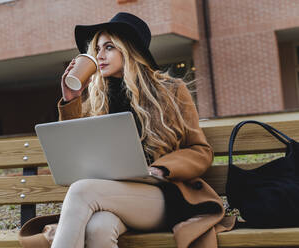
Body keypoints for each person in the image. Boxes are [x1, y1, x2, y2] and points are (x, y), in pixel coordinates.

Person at [20, 12, 235, 248]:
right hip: (113, 196)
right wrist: (71, 99)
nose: (99, 56)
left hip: (164, 195)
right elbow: (73, 155)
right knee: (98, 229)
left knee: (81, 191)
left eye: (109, 47)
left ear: (130, 50)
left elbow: (200, 150)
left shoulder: (171, 90)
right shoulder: (96, 100)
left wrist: (161, 169)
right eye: (97, 49)